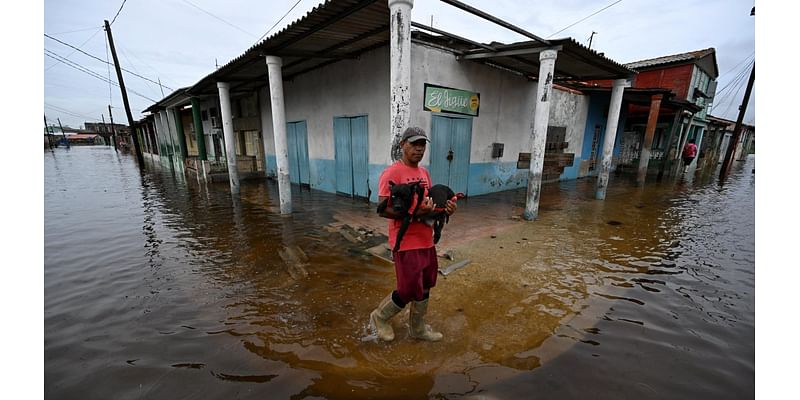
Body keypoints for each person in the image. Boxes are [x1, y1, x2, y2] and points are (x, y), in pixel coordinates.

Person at [370, 126, 457, 342]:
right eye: (414, 144)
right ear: (402, 145)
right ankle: (379, 317)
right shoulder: (391, 173)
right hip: (405, 240)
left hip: (426, 238)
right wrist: (416, 213)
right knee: (408, 288)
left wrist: (446, 209)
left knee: (427, 283)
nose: (419, 149)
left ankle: (417, 329)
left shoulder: (423, 173)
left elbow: (428, 204)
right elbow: (382, 209)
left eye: (422, 145)